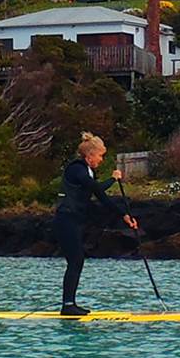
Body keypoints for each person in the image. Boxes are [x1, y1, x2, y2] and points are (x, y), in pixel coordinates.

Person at [54, 132, 139, 316]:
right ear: (89, 155)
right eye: (100, 155)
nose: (101, 159)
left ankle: (69, 304)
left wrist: (124, 215)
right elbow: (96, 187)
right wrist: (113, 179)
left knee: (77, 260)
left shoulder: (89, 171)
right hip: (65, 219)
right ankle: (67, 306)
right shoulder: (77, 169)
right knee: (76, 260)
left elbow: (103, 198)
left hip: (74, 220)